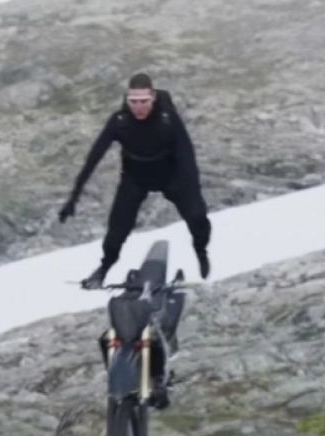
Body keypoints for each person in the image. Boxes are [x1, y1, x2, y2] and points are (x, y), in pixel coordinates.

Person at [57, 72, 212, 289]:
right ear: (127, 100)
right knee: (116, 231)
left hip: (171, 175)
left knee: (198, 218)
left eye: (144, 102)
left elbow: (187, 156)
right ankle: (104, 267)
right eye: (133, 102)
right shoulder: (120, 121)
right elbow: (93, 158)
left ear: (153, 98)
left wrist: (193, 193)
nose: (139, 107)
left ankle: (201, 251)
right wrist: (73, 198)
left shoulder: (168, 119)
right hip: (135, 178)